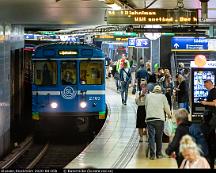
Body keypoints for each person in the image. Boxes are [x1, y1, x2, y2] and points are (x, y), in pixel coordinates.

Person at [144, 85, 172, 160]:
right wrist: (169, 114)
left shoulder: (148, 96)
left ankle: (152, 155)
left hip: (150, 119)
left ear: (153, 90)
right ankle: (159, 154)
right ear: (160, 91)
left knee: (151, 137)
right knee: (159, 137)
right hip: (159, 120)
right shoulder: (163, 96)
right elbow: (166, 107)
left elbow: (146, 106)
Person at [200, 79, 216, 169]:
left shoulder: (213, 91)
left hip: (211, 120)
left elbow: (215, 103)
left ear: (209, 83)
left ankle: (210, 159)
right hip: (210, 119)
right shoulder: (212, 91)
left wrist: (205, 102)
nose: (205, 87)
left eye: (205, 85)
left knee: (210, 139)